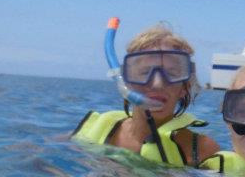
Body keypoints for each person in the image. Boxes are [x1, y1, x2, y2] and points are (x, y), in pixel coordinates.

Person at [72, 23, 219, 167]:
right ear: (127, 82)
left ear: (184, 88)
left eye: (171, 74)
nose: (157, 84)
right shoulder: (92, 133)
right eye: (144, 73)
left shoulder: (201, 152)